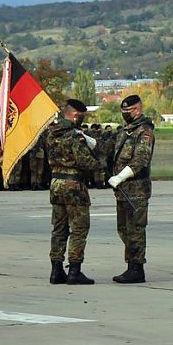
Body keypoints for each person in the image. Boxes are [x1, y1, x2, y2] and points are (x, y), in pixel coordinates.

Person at [46, 99, 101, 285]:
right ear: (75, 115)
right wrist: (99, 163)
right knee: (78, 229)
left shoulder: (51, 134)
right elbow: (85, 161)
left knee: (59, 229)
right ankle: (75, 270)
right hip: (74, 186)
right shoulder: (75, 136)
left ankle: (56, 269)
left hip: (56, 184)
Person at [108, 94, 155, 284]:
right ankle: (131, 264)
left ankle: (136, 268)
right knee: (123, 229)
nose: (125, 114)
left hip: (136, 189)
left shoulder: (144, 132)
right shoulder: (126, 131)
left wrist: (120, 176)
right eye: (123, 111)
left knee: (135, 229)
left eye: (128, 111)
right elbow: (110, 150)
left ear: (137, 110)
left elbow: (140, 160)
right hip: (122, 190)